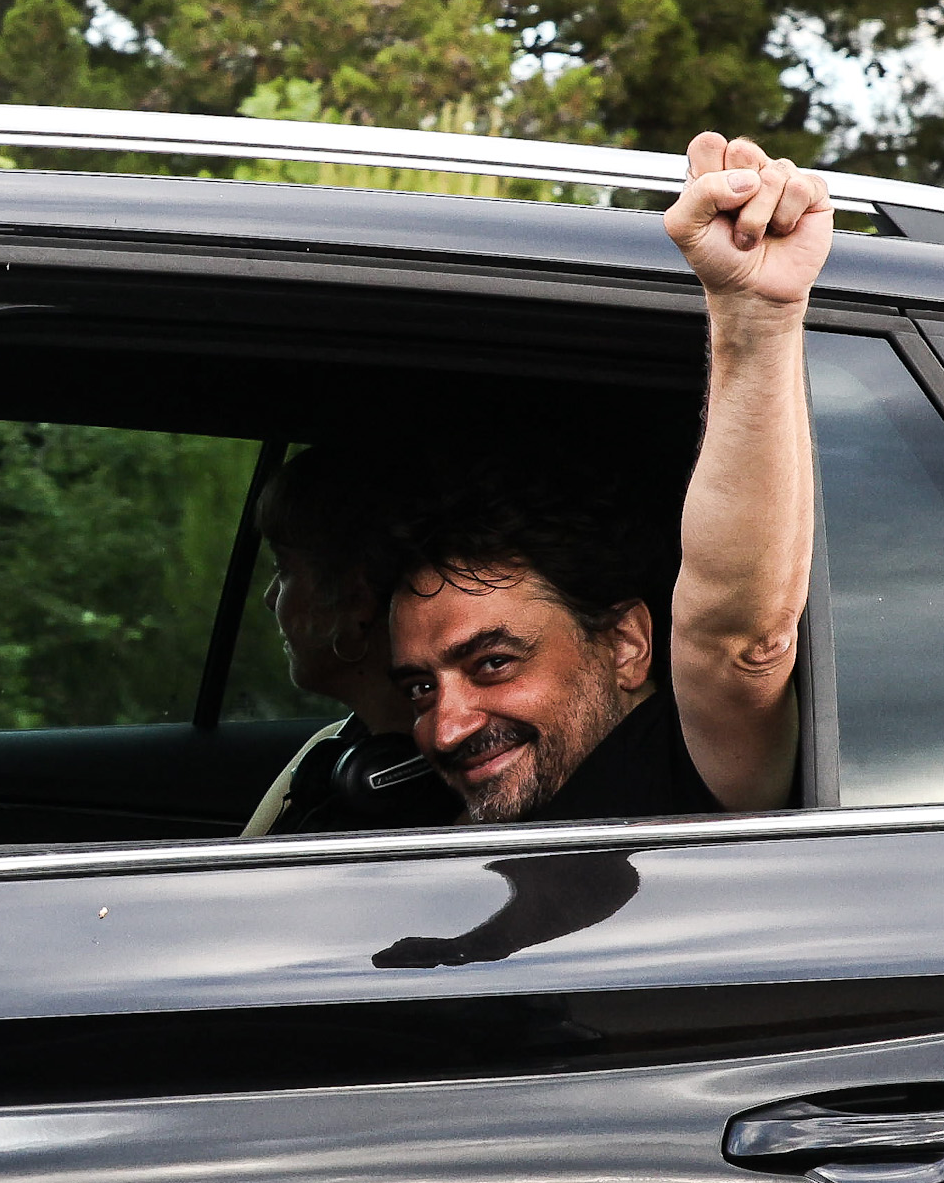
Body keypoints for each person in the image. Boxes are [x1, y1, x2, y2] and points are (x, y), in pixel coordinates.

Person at [380, 131, 829, 823]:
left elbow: (739, 644)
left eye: (494, 663)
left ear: (626, 645)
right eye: (420, 689)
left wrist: (757, 319)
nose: (447, 727)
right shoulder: (448, 808)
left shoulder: (675, 775)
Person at [238, 442, 459, 839]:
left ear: (356, 600)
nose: (271, 599)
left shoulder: (461, 803)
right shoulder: (334, 746)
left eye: (284, 570)